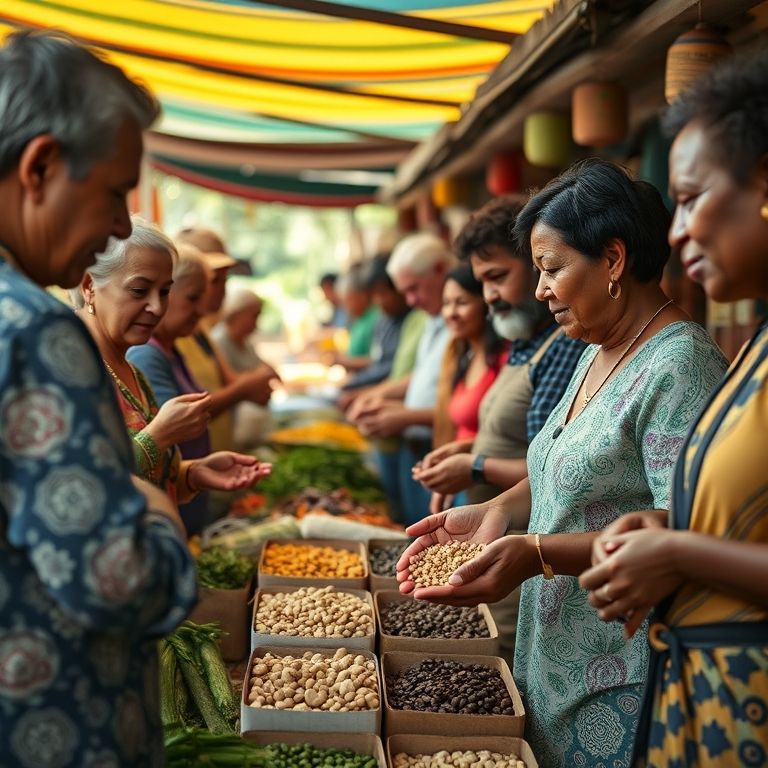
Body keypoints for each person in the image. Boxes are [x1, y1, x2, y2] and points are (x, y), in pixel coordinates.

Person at [397, 159, 727, 766]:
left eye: (551, 269)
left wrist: (538, 554)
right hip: (554, 651)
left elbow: (681, 526)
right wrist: (497, 510)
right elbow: (563, 467)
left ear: (613, 261)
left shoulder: (680, 365)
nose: (541, 289)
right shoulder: (600, 345)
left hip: (619, 664)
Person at [0, 30, 196, 766]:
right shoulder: (35, 330)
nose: (120, 224)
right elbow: (116, 581)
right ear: (41, 166)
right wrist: (157, 512)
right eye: (115, 191)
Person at [579, 51, 768, 767]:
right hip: (708, 702)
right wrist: (664, 524)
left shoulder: (686, 354)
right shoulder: (755, 344)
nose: (680, 231)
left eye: (691, 198)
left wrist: (680, 551)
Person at [74, 219, 270, 536]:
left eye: (165, 292)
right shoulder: (71, 369)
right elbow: (85, 491)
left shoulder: (132, 371)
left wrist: (192, 473)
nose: (156, 306)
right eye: (139, 290)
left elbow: (153, 475)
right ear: (89, 286)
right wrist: (158, 437)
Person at [414, 197, 586, 513]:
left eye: (499, 277)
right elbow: (523, 445)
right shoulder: (523, 343)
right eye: (483, 283)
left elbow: (552, 470)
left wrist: (475, 466)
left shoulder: (566, 345)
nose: (490, 296)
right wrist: (468, 450)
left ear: (537, 267)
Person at [349, 232, 455, 524]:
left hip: (444, 452)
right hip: (416, 448)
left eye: (415, 289)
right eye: (404, 292)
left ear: (440, 270)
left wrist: (405, 416)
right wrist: (377, 395)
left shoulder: (461, 321)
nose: (411, 300)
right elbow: (419, 377)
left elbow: (465, 407)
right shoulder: (429, 319)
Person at [174, 226, 273, 454]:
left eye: (223, 279)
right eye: (214, 280)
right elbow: (179, 416)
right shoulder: (165, 340)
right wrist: (246, 388)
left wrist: (256, 381)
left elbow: (232, 380)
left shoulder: (203, 329)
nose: (221, 290)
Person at [429, 263, 507, 468]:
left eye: (461, 302)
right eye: (446, 303)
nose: (451, 313)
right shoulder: (462, 355)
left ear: (484, 304)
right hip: (458, 473)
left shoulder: (504, 359)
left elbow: (510, 439)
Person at [337, 253, 414, 409]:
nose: (379, 301)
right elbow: (377, 361)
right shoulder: (382, 320)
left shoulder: (413, 320)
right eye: (374, 295)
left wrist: (365, 393)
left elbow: (391, 371)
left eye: (383, 293)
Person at [210, 286, 277, 448]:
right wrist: (255, 382)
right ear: (238, 313)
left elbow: (262, 368)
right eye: (254, 316)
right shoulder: (218, 341)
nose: (256, 323)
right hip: (231, 428)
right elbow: (235, 382)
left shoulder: (245, 342)